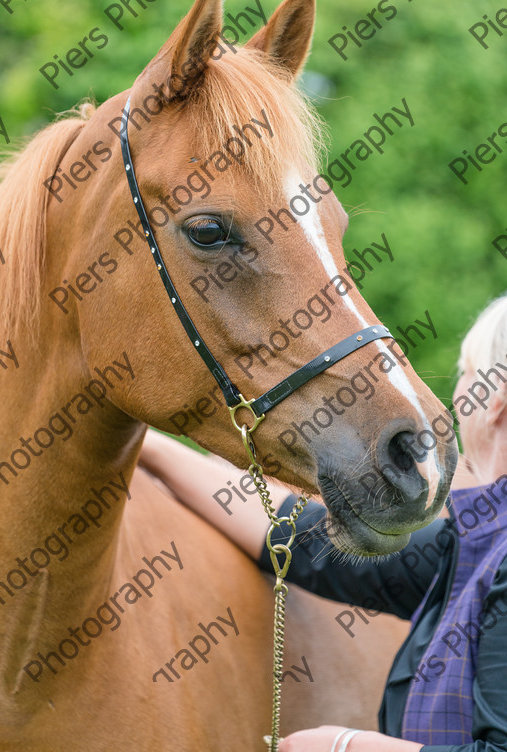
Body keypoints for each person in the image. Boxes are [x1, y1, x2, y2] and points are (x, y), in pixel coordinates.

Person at [138, 295, 507, 752]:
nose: (456, 396)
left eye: (466, 373)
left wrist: (344, 745)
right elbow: (301, 539)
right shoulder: (473, 542)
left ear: (494, 400)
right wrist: (148, 447)